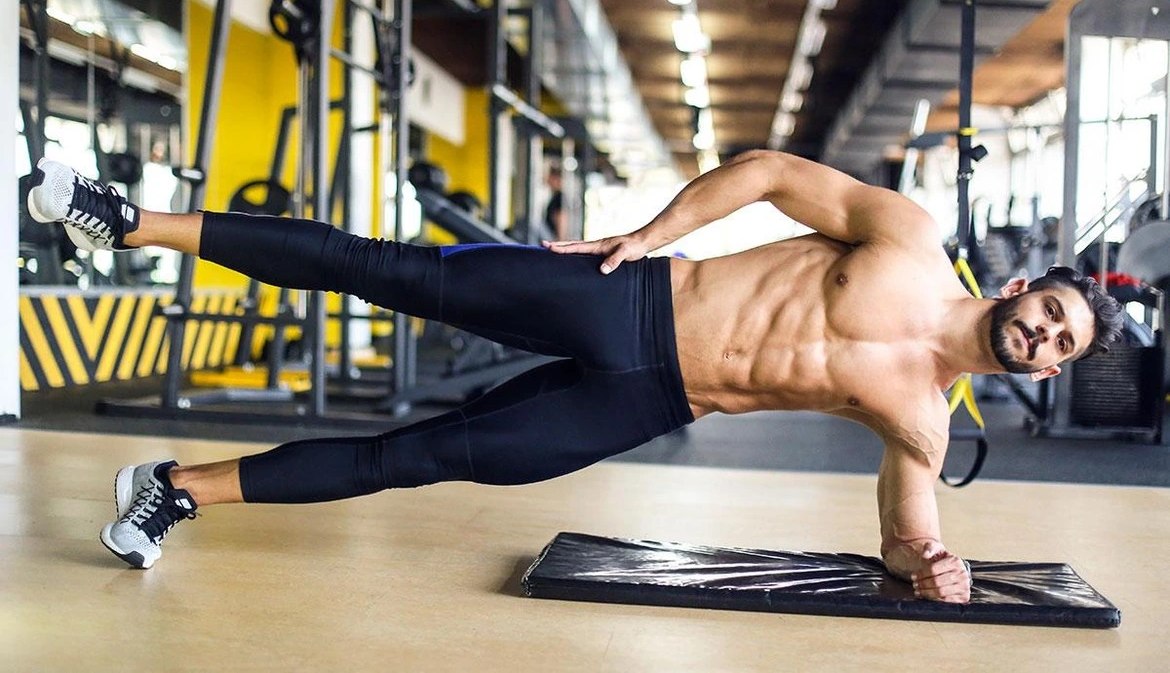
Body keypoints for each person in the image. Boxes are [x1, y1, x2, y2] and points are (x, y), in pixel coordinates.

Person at [26, 151, 1123, 603]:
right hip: (630, 293)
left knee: (422, 456)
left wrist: (924, 558)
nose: (1049, 340)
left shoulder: (929, 422)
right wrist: (649, 233)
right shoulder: (910, 241)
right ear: (1028, 286)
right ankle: (130, 221)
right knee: (383, 270)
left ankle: (174, 490)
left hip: (649, 399)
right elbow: (776, 174)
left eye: (1066, 347)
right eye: (1056, 317)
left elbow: (902, 524)